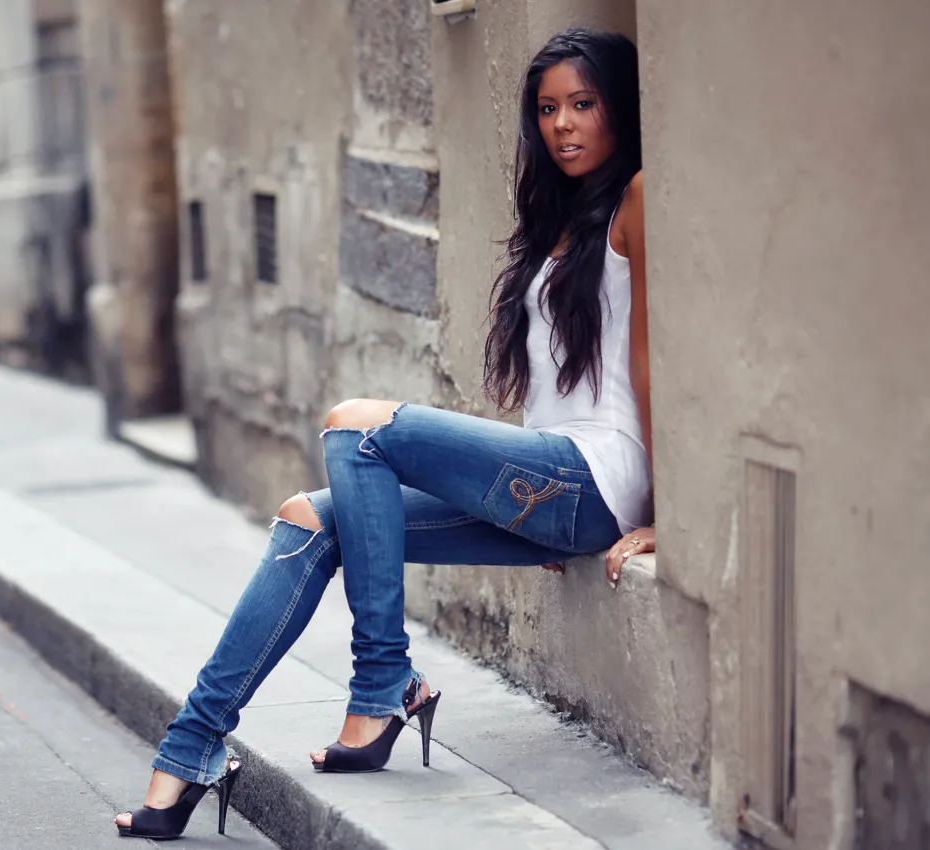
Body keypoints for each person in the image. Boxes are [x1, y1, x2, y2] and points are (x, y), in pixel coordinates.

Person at [114, 27, 656, 840]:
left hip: (594, 480)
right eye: (547, 109)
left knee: (356, 427)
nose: (563, 125)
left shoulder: (638, 197)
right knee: (310, 519)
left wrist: (663, 516)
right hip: (548, 488)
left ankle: (382, 685)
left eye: (583, 104)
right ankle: (190, 747)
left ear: (620, 108)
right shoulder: (561, 218)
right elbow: (555, 385)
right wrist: (525, 508)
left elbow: (653, 368)